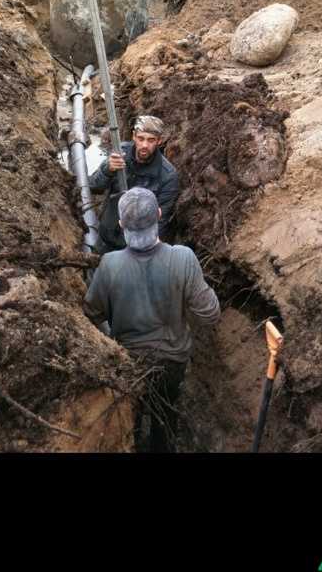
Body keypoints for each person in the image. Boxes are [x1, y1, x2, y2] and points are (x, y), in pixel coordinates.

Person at [83, 186, 220, 452]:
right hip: (172, 363)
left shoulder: (109, 264)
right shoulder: (183, 258)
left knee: (128, 418)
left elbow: (92, 314)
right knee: (165, 418)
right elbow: (210, 313)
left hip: (127, 363)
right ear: (158, 214)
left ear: (121, 224)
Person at [89, 115, 179, 255]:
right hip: (106, 238)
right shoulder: (120, 153)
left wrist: (141, 255)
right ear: (134, 136)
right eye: (141, 138)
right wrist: (107, 170)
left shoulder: (167, 176)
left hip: (137, 248)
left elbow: (160, 222)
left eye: (151, 140)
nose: (144, 145)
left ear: (159, 141)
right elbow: (93, 187)